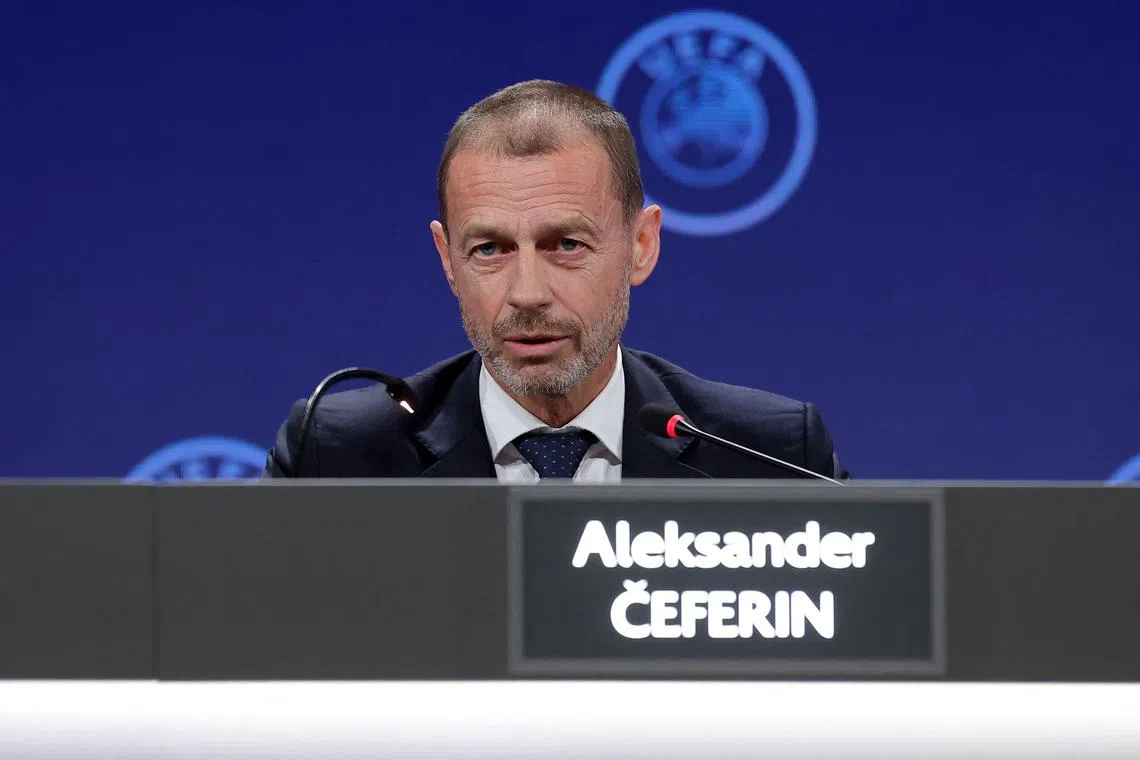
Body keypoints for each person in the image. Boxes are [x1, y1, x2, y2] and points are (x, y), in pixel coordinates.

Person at [263, 80, 848, 481]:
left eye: (566, 244)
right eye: (489, 249)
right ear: (447, 259)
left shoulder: (768, 455)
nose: (527, 293)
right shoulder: (336, 454)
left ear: (641, 246)